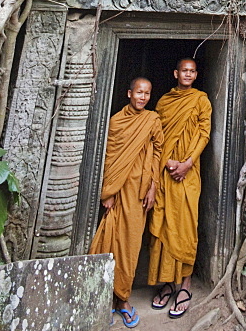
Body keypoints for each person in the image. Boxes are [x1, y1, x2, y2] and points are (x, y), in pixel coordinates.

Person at [90, 77, 164, 329]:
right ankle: (106, 298)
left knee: (130, 246)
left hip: (139, 193)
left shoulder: (152, 120)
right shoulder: (116, 122)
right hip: (118, 190)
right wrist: (108, 191)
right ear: (129, 93)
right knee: (109, 241)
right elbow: (109, 156)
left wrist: (153, 186)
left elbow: (158, 152)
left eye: (147, 93)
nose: (143, 97)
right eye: (139, 92)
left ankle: (123, 299)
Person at [149, 57, 212, 319]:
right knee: (162, 225)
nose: (188, 74)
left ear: (196, 75)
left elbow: (204, 134)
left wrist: (186, 164)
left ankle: (184, 284)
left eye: (192, 71)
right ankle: (166, 283)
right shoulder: (164, 102)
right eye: (184, 71)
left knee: (185, 226)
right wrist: (167, 163)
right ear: (176, 73)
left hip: (188, 173)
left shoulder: (201, 100)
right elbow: (157, 137)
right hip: (165, 172)